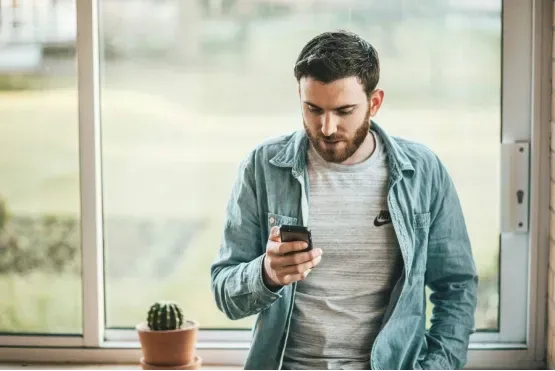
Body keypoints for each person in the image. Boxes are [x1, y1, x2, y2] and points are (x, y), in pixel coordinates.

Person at [210, 30, 478, 371]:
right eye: (313, 108)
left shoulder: (423, 172)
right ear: (299, 95)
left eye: (344, 111)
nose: (326, 127)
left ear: (375, 103)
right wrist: (266, 274)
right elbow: (225, 294)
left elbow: (456, 286)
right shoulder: (262, 167)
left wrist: (437, 366)